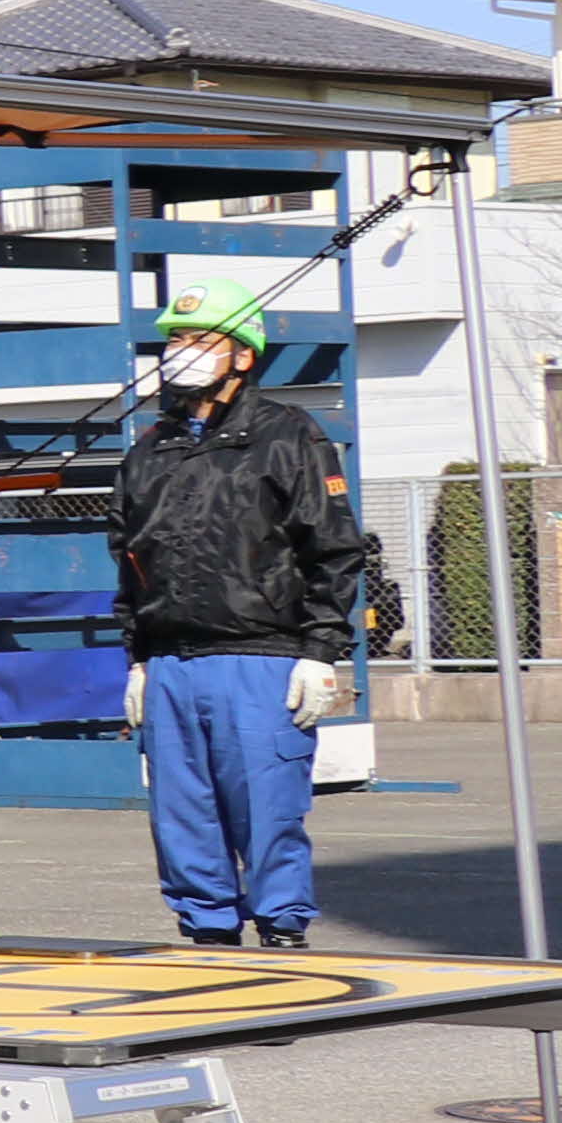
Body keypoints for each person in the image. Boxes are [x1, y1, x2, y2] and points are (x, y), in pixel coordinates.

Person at [117, 281, 365, 950]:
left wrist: (321, 650)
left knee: (267, 812)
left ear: (242, 356)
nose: (182, 353)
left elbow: (334, 549)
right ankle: (210, 948)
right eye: (174, 340)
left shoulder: (287, 437)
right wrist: (137, 657)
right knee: (181, 822)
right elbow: (129, 560)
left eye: (200, 341)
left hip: (260, 659)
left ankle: (282, 944)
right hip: (171, 665)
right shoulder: (149, 450)